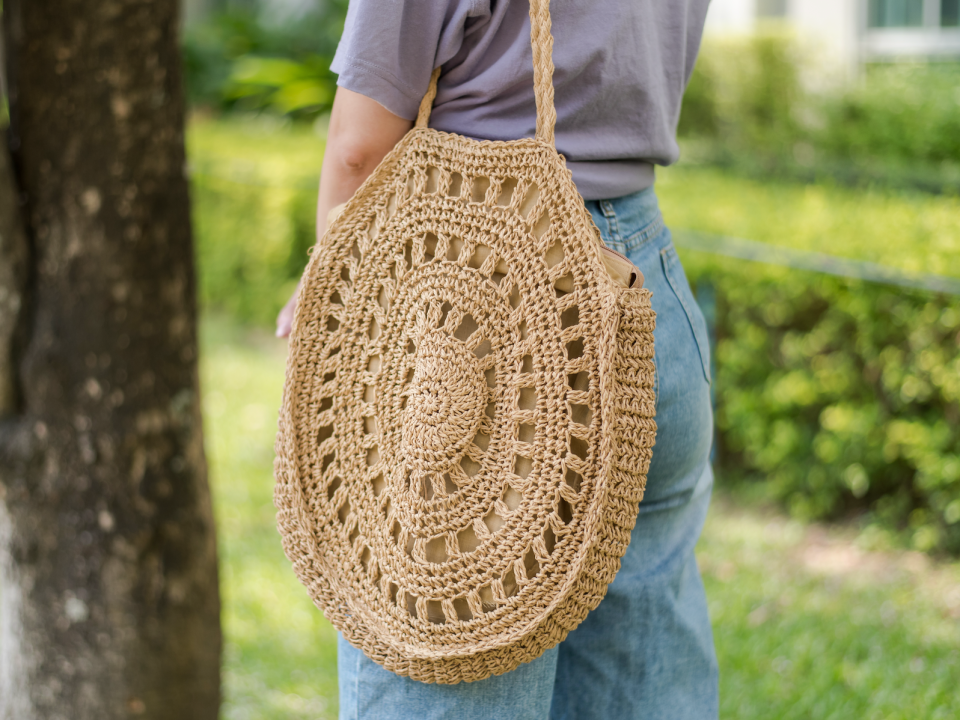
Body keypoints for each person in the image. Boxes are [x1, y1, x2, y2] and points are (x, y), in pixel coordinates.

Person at [276, 1, 718, 718]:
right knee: (641, 667)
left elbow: (361, 147)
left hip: (482, 314)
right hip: (641, 286)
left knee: (440, 646)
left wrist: (337, 286)